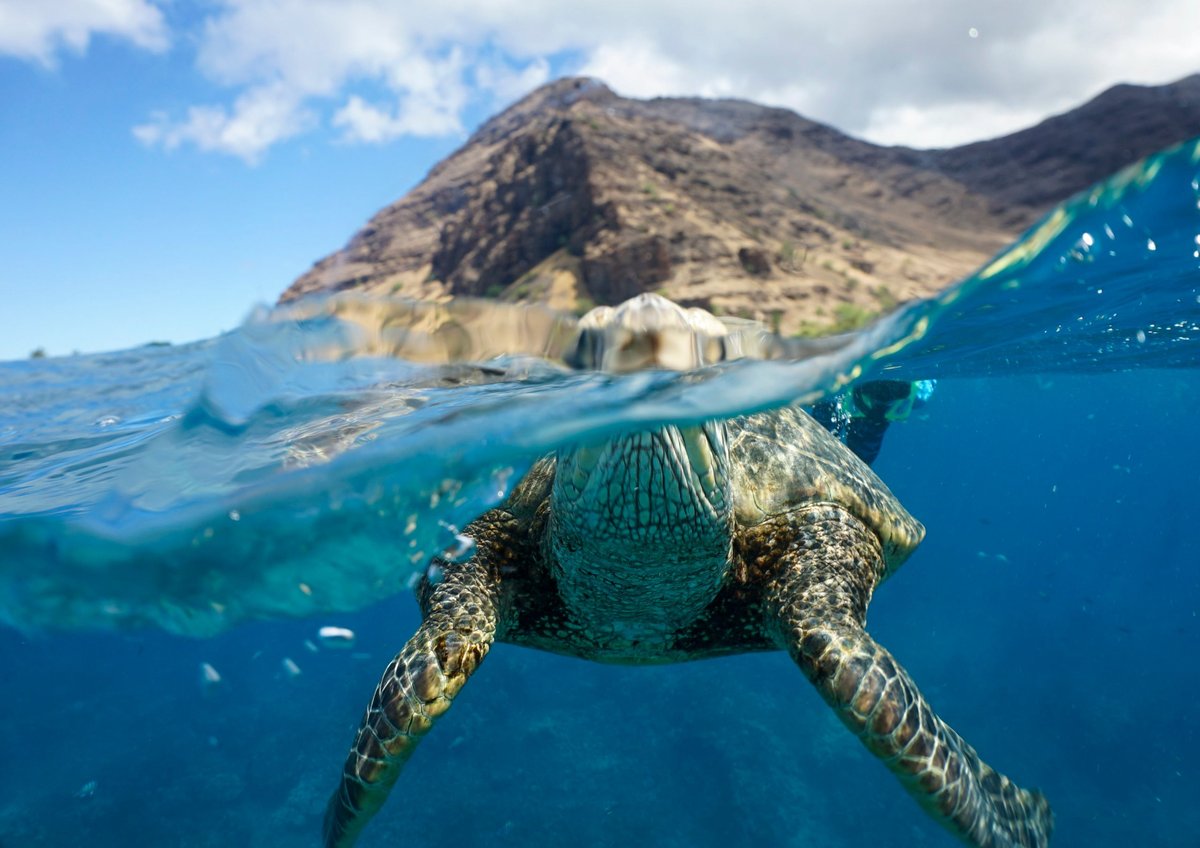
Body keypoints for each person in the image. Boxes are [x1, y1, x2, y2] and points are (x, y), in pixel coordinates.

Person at [809, 379, 935, 466]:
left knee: (858, 465)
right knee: (813, 444)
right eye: (878, 390)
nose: (883, 395)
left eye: (896, 390)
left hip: (875, 422)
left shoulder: (919, 394)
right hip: (850, 399)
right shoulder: (920, 394)